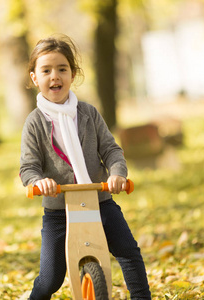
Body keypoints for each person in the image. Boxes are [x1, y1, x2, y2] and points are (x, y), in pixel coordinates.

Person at [19, 34, 151, 300]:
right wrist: (38, 182)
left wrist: (117, 174)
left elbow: (111, 150)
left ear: (73, 74)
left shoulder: (88, 113)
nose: (54, 76)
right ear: (35, 78)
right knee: (50, 278)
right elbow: (28, 166)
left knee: (128, 250)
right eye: (46, 70)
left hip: (99, 200)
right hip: (59, 211)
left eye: (62, 69)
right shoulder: (34, 123)